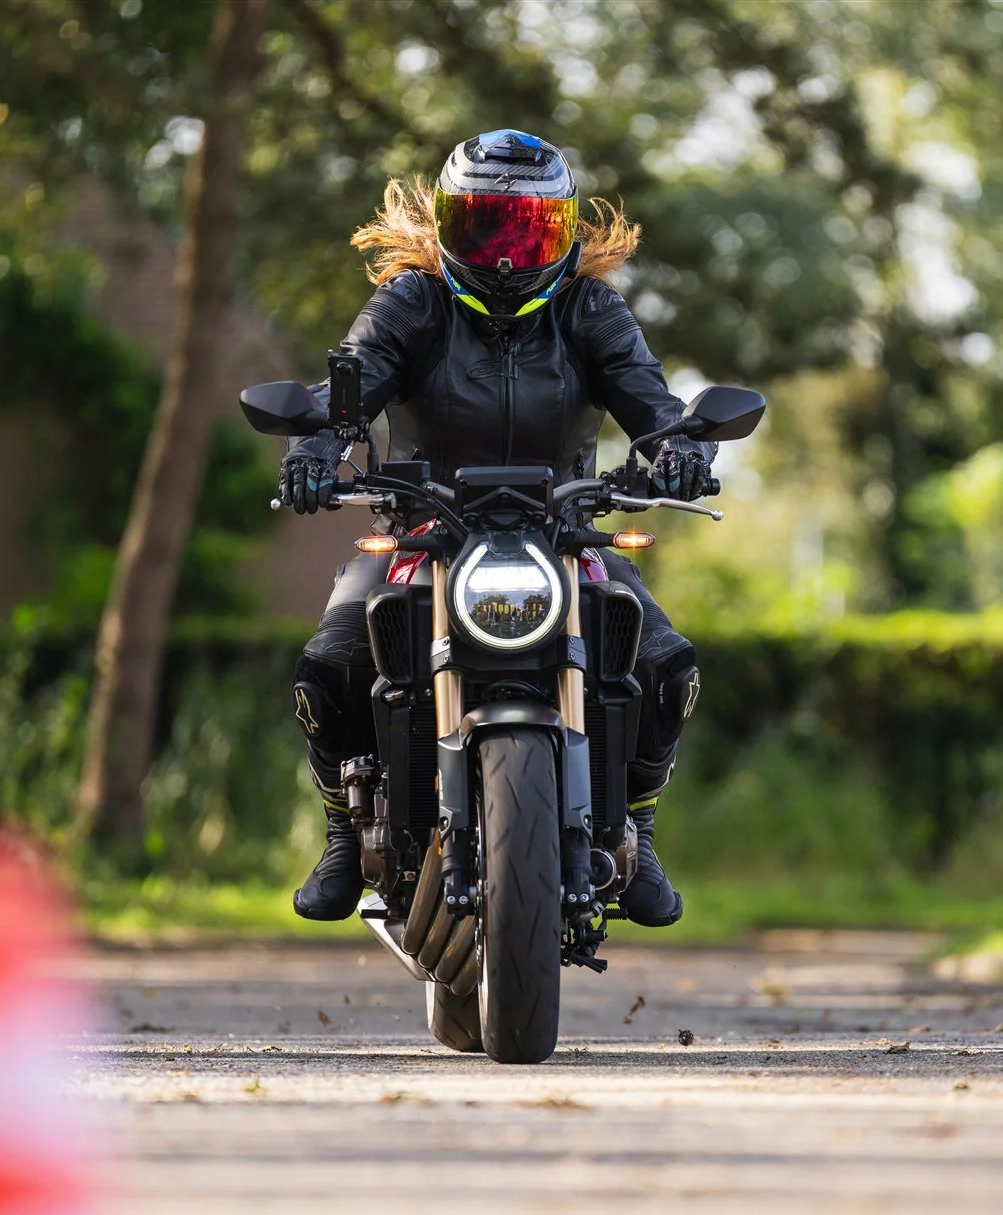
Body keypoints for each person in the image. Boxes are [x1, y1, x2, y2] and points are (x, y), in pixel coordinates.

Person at [279, 129, 714, 929]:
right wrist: (315, 446)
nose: (509, 255)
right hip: (425, 530)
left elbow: (647, 397)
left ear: (564, 231)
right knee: (330, 661)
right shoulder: (413, 300)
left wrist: (679, 445)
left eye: (530, 230)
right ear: (449, 226)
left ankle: (638, 827)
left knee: (664, 663)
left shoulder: (590, 307)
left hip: (562, 530)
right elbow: (356, 374)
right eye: (487, 226)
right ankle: (344, 829)